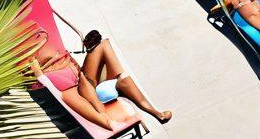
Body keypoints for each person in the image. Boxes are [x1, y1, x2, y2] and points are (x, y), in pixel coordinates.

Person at [31, 28, 172, 129]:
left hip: (92, 82)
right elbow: (69, 95)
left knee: (105, 45)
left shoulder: (43, 52)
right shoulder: (36, 65)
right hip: (84, 87)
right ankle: (156, 112)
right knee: (105, 51)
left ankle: (155, 111)